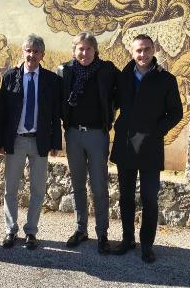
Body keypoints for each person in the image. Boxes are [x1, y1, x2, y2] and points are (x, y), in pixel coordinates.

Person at [110, 34, 182, 263]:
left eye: (147, 50)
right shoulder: (122, 77)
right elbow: (112, 104)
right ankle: (127, 239)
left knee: (149, 198)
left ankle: (147, 245)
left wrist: (156, 130)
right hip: (126, 144)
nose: (143, 54)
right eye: (139, 50)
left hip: (150, 146)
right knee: (126, 197)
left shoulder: (166, 79)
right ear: (132, 52)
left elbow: (176, 113)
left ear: (154, 50)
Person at [58, 32, 119, 254]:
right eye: (80, 49)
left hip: (97, 135)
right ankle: (80, 229)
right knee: (77, 185)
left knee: (99, 186)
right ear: (74, 51)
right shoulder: (65, 71)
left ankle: (102, 233)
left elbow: (126, 86)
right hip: (73, 134)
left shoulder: (107, 70)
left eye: (89, 49)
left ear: (95, 51)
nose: (84, 53)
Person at [0, 34, 61, 250]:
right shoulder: (10, 77)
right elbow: (2, 112)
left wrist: (56, 143)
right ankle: (10, 230)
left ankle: (31, 232)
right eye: (28, 50)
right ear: (22, 52)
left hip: (39, 141)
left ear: (42, 55)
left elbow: (56, 113)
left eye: (36, 51)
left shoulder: (52, 80)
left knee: (37, 190)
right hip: (15, 140)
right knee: (10, 189)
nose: (32, 55)